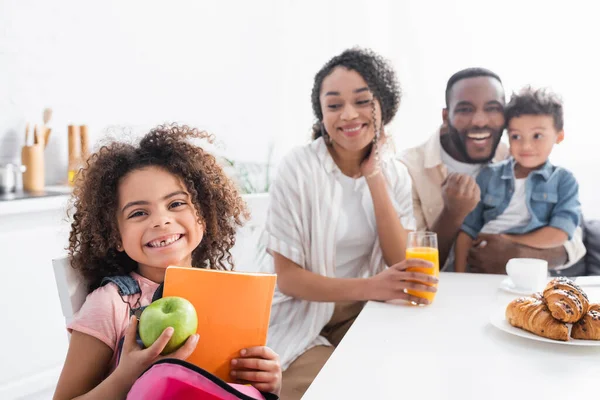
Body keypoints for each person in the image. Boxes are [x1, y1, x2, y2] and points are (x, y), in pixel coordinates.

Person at [53, 125, 282, 399]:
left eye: (176, 204)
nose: (161, 220)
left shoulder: (224, 293)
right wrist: (127, 374)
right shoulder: (112, 304)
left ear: (204, 215)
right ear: (115, 235)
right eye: (139, 212)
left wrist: (267, 381)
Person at [260, 48, 438, 400]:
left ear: (382, 106)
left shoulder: (394, 173)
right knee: (340, 388)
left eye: (362, 101)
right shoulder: (298, 168)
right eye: (334, 105)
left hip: (363, 314)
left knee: (409, 376)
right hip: (300, 316)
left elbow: (398, 259)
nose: (349, 115)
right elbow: (288, 278)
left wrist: (373, 176)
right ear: (322, 114)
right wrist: (371, 287)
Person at [398, 68, 585, 273]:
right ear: (446, 116)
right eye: (465, 109)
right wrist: (452, 214)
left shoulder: (521, 157)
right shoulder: (406, 170)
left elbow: (572, 240)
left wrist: (515, 253)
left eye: (492, 108)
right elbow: (407, 263)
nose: (480, 120)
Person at [455, 87, 580, 272]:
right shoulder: (488, 175)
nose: (526, 145)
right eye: (516, 136)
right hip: (480, 264)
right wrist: (460, 275)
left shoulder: (563, 181)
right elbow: (467, 230)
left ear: (558, 136)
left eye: (537, 136)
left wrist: (508, 242)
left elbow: (560, 233)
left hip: (529, 272)